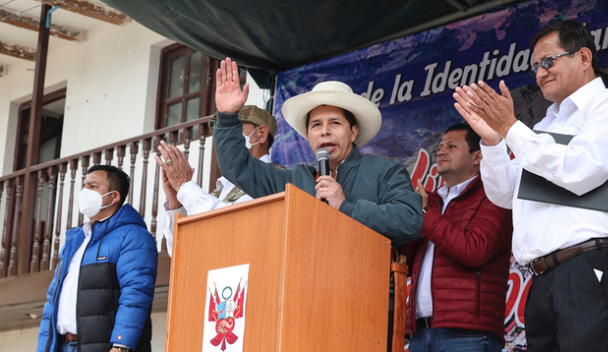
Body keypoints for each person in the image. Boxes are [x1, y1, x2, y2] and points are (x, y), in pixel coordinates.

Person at [453, 20, 608, 352]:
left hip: (589, 266)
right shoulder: (543, 126)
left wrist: (511, 127)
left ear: (583, 57)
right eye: (534, 67)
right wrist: (494, 140)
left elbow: (579, 171)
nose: (539, 74)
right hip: (542, 278)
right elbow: (505, 195)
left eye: (547, 62)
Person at [211, 57, 422, 245]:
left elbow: (410, 220)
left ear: (353, 132)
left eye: (335, 123)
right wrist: (228, 116)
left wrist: (345, 206)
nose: (325, 132)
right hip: (304, 286)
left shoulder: (383, 171)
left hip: (364, 284)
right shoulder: (295, 181)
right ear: (308, 136)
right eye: (316, 125)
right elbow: (237, 167)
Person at [404, 123, 512, 352]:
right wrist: (408, 218)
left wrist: (425, 214)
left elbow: (474, 250)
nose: (441, 151)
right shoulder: (430, 201)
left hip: (468, 334)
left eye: (451, 146)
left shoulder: (494, 196)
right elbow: (406, 260)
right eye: (440, 147)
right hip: (421, 332)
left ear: (477, 157)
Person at [37, 165, 158, 352]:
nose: (85, 191)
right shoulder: (76, 239)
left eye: (93, 186)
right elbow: (52, 303)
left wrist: (121, 345)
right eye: (84, 186)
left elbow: (135, 293)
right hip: (62, 346)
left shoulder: (133, 236)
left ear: (113, 196)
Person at [156, 105, 277, 256]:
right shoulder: (224, 186)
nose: (222, 140)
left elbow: (228, 226)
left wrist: (185, 186)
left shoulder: (271, 179)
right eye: (221, 133)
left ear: (261, 134)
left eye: (233, 130)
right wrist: (176, 203)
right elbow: (179, 251)